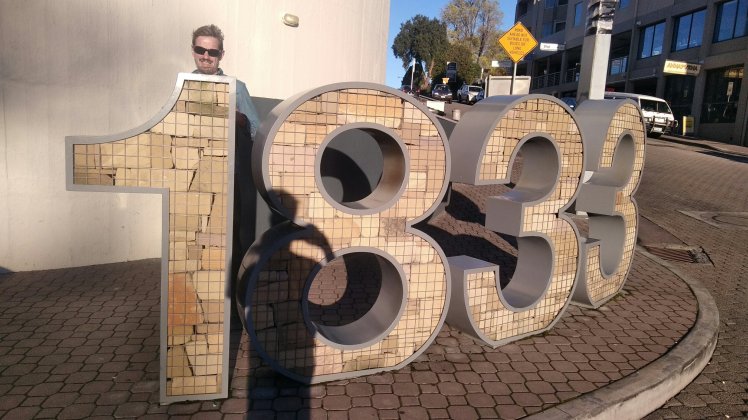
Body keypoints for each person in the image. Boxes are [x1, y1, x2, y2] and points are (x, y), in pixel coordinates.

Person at [191, 24, 260, 138]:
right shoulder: (182, 86)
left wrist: (239, 120)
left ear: (221, 55)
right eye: (200, 50)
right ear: (193, 51)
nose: (206, 56)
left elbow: (256, 130)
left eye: (212, 52)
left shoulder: (237, 88)